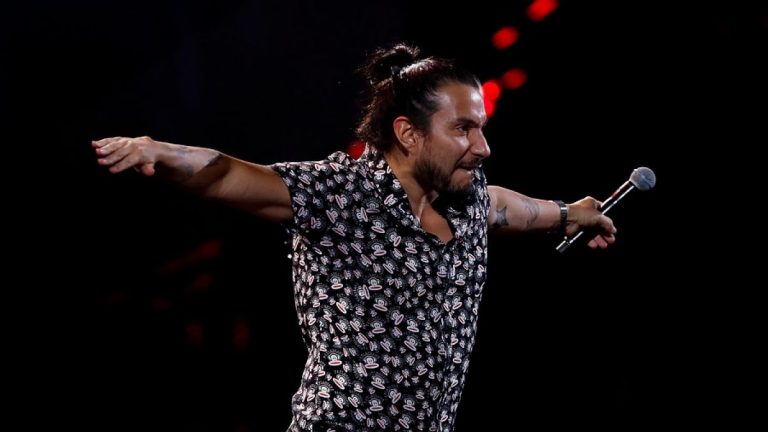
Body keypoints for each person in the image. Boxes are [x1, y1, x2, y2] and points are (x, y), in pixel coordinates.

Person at [92, 43, 616, 431]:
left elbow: (506, 208)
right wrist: (160, 151)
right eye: (463, 129)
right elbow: (228, 173)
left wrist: (570, 213)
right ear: (408, 133)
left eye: (480, 128)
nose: (482, 147)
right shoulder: (339, 192)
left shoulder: (467, 195)